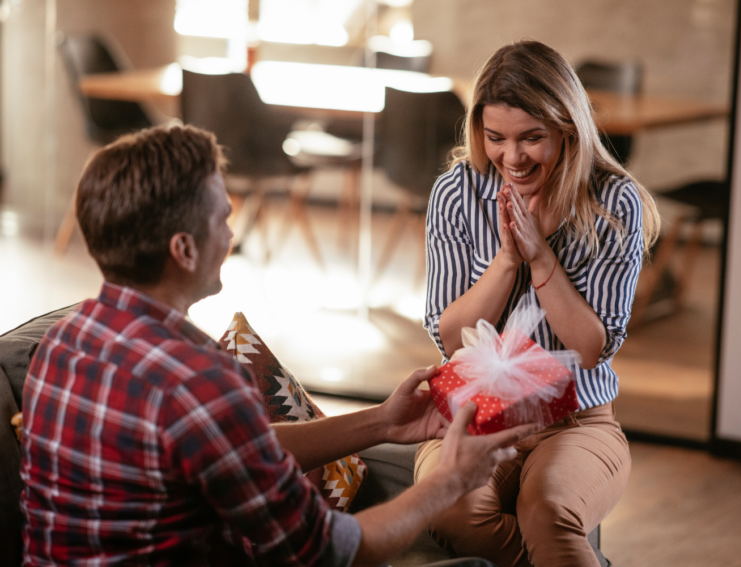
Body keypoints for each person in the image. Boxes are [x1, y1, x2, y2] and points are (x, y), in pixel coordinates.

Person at [18, 124, 539, 567]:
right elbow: (329, 550)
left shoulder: (62, 345)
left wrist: (381, 422)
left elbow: (236, 447)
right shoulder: (200, 381)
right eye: (222, 217)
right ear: (183, 248)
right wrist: (449, 481)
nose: (230, 231)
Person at [414, 40, 661, 567]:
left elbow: (591, 348)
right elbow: (451, 337)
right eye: (496, 137)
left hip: (577, 420)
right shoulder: (458, 192)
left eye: (532, 138)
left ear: (567, 130)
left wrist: (542, 258)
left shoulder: (614, 202)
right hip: (474, 411)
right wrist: (508, 258)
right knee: (449, 512)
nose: (512, 157)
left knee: (547, 513)